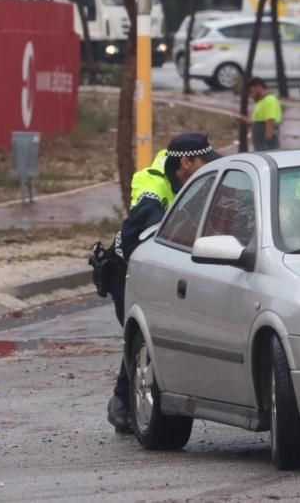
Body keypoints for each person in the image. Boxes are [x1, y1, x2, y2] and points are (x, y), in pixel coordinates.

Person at [94, 132, 221, 434]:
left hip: (158, 265)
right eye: (205, 161)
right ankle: (125, 404)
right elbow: (144, 226)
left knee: (148, 337)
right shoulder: (151, 185)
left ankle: (125, 404)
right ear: (187, 162)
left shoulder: (193, 178)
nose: (209, 167)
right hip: (125, 271)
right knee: (143, 337)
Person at [243, 77, 282, 151]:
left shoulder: (269, 100)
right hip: (261, 147)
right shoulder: (262, 101)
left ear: (258, 87)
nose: (251, 95)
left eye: (252, 92)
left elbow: (270, 121)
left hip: (266, 147)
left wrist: (267, 145)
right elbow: (259, 120)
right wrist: (247, 121)